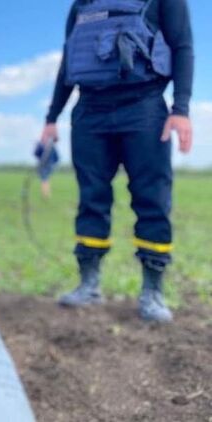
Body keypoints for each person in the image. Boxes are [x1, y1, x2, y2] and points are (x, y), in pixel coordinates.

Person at [41, 0, 194, 323]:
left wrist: (180, 110)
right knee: (91, 199)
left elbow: (183, 47)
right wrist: (51, 117)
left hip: (144, 107)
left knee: (152, 200)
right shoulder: (82, 5)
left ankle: (152, 290)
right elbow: (68, 61)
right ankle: (89, 283)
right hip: (90, 110)